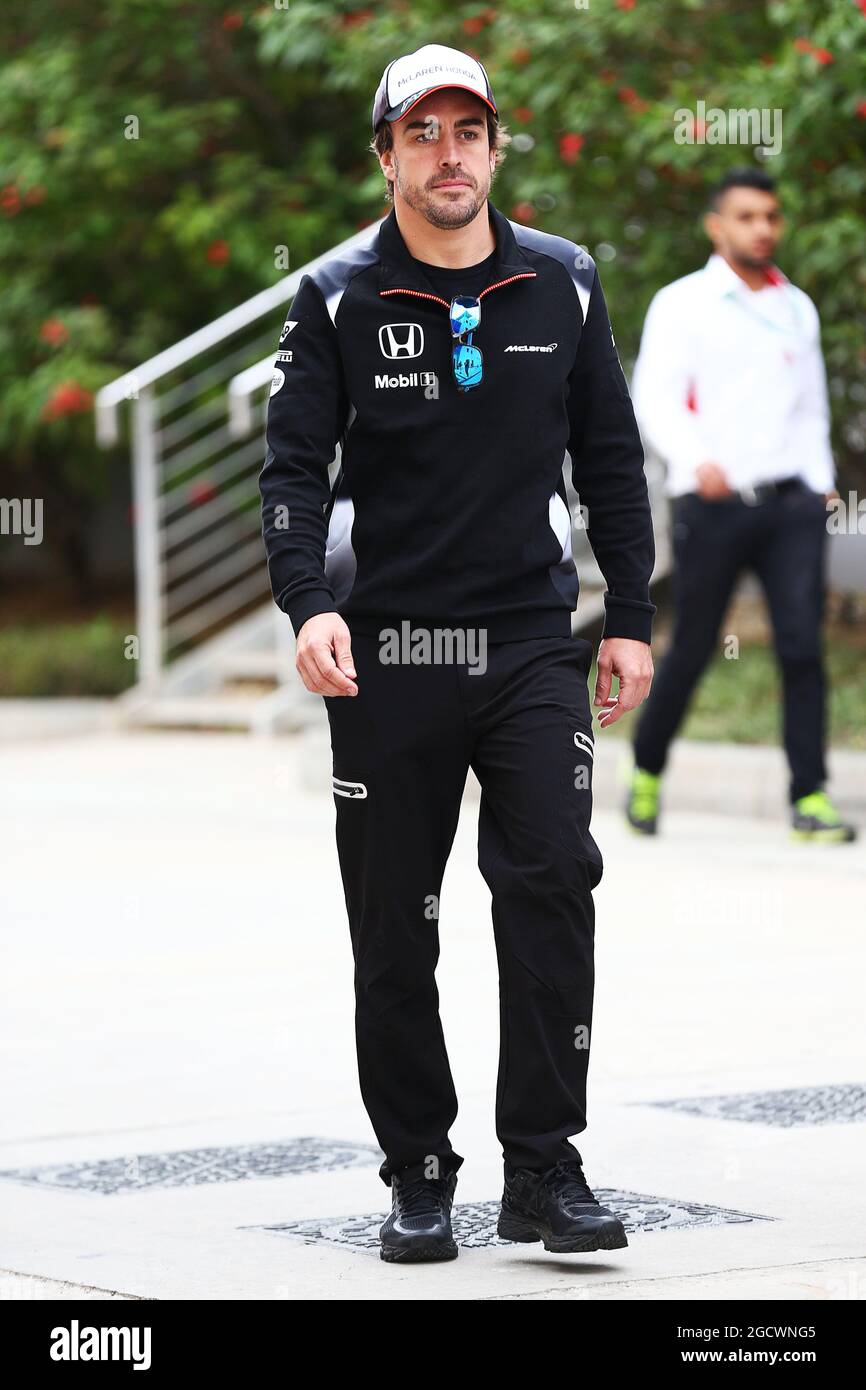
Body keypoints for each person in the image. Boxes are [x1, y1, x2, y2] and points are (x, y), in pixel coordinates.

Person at [259, 43, 656, 1263]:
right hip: (385, 656)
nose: (449, 155)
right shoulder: (334, 295)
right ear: (385, 155)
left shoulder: (563, 281)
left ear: (493, 147)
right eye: (422, 134)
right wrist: (303, 603)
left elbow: (607, 460)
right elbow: (288, 470)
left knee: (551, 883)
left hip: (533, 644)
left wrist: (629, 616)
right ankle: (419, 1174)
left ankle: (543, 1168)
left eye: (467, 131)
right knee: (396, 921)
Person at [627, 167, 856, 844]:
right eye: (748, 216)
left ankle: (809, 798)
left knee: (801, 647)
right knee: (694, 643)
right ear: (717, 225)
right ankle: (645, 769)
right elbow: (655, 398)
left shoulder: (796, 308)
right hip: (713, 504)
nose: (762, 228)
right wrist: (697, 462)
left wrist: (819, 483)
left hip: (791, 505)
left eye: (771, 217)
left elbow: (812, 408)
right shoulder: (683, 303)